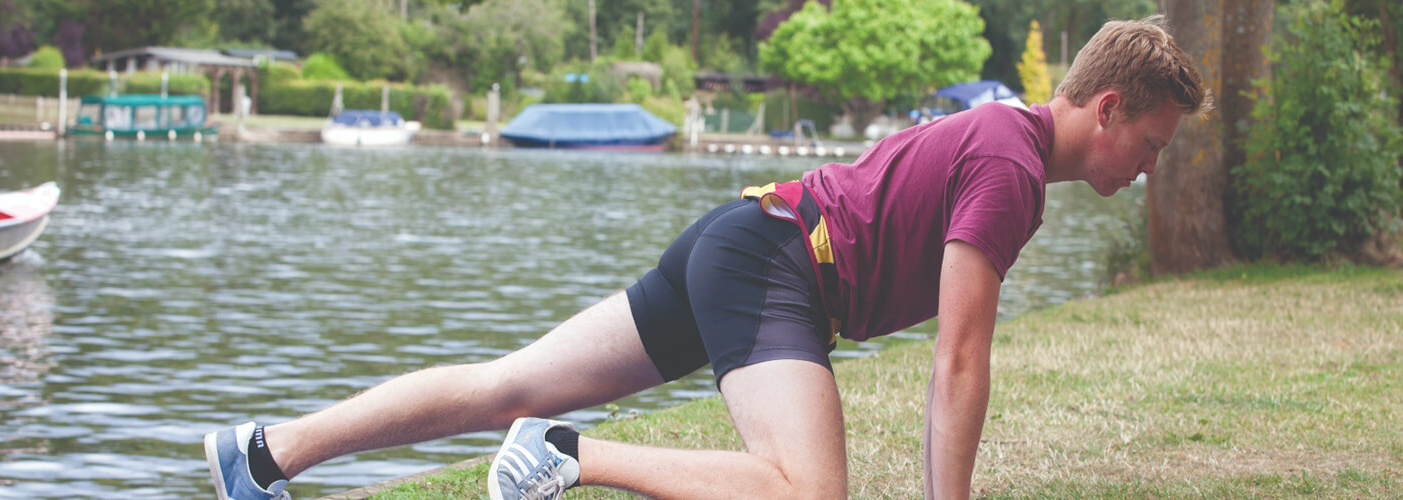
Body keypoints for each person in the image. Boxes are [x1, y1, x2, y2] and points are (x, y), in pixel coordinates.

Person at [204, 15, 1211, 500]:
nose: (1147, 169)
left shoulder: (1002, 144)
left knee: (507, 378)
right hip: (776, 264)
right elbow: (958, 358)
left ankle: (262, 452)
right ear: (1106, 107)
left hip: (743, 240)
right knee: (806, 492)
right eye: (1151, 145)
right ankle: (562, 453)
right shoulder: (1010, 164)